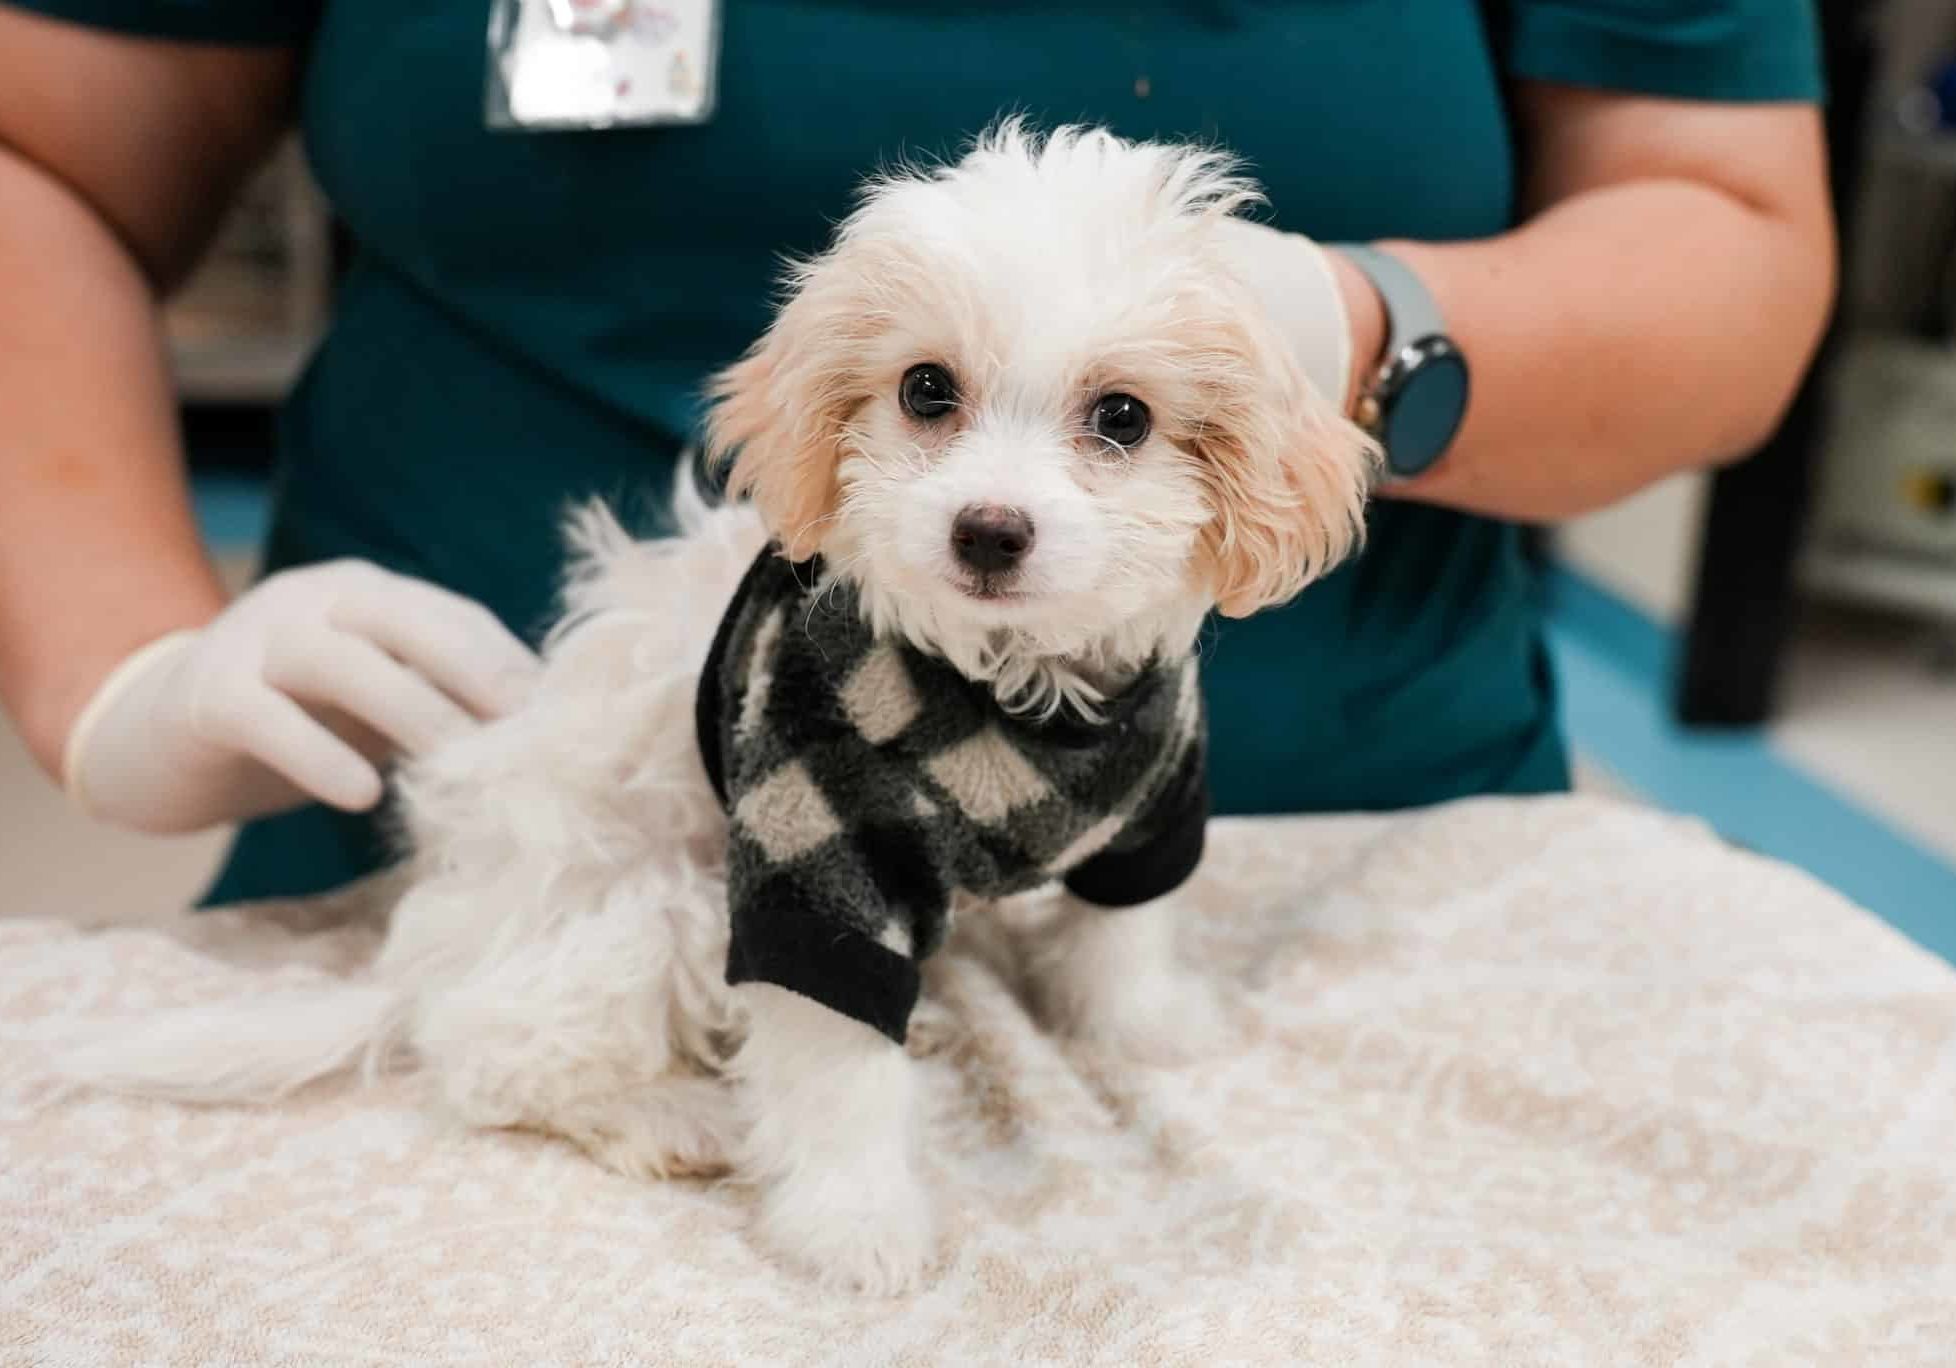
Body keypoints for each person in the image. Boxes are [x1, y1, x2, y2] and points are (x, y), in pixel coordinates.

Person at [0, 0, 1834, 906]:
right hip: (489, 809)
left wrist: (1359, 340)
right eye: (926, 407)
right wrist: (120, 670)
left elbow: (1727, 228)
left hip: (1339, 865)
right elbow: (43, 151)